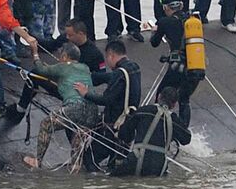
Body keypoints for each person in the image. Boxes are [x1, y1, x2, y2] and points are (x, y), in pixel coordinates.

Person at [6, 19, 106, 123]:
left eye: (70, 35)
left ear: (80, 34)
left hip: (77, 92)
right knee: (34, 74)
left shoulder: (95, 54)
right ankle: (21, 109)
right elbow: (50, 45)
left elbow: (102, 76)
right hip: (60, 81)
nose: (67, 37)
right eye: (66, 34)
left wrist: (83, 78)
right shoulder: (66, 39)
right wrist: (28, 35)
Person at [22, 42, 100, 170]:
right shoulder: (85, 67)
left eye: (60, 56)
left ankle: (38, 161)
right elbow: (66, 77)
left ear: (64, 56)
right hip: (92, 111)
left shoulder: (63, 66)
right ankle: (75, 167)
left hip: (75, 107)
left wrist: (35, 53)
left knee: (46, 125)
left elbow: (40, 70)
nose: (59, 59)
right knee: (78, 137)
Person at [74, 40, 141, 171]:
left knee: (89, 159)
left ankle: (95, 187)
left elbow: (106, 99)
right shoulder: (134, 67)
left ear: (111, 55)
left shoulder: (119, 73)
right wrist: (93, 76)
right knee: (115, 165)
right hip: (128, 127)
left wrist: (86, 93)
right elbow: (110, 77)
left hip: (113, 128)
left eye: (107, 58)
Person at [109, 87, 191, 177]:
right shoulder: (174, 120)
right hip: (158, 166)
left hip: (136, 159)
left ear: (159, 97)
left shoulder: (143, 111)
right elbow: (186, 139)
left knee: (112, 178)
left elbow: (123, 135)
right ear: (174, 105)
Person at [150, 0, 201, 128]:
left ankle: (159, 129)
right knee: (184, 99)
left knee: (162, 97)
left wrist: (156, 30)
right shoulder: (193, 21)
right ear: (182, 6)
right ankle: (183, 130)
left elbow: (154, 43)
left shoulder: (164, 22)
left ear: (166, 8)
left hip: (176, 68)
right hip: (196, 66)